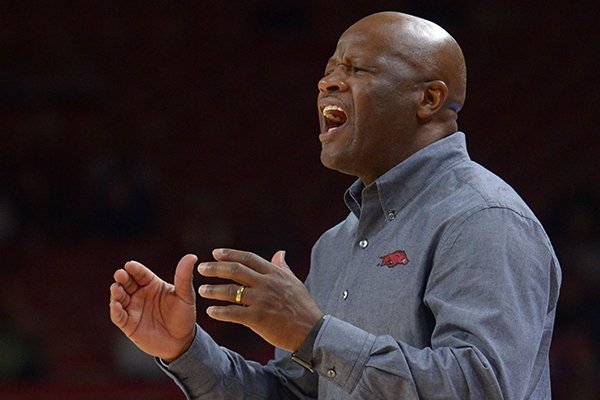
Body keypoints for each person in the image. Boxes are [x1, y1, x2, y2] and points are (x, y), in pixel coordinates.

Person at [109, 11, 561, 399]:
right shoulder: (336, 244)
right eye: (329, 69)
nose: (327, 81)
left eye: (357, 69)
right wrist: (186, 350)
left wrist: (314, 334)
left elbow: (481, 389)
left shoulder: (483, 219)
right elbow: (296, 393)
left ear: (429, 99)